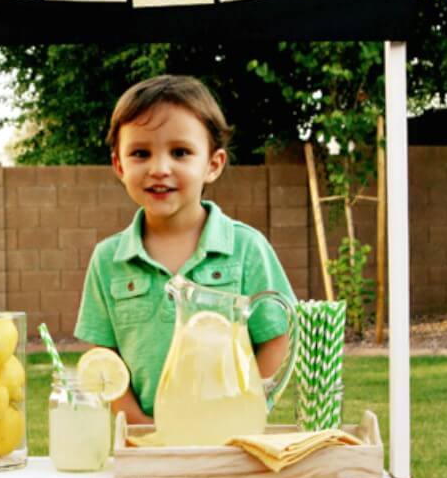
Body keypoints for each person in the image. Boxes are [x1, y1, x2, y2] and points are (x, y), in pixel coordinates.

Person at [74, 74, 295, 425]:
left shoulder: (246, 248)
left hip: (228, 441)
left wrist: (251, 403)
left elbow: (278, 335)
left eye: (180, 152)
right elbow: (103, 354)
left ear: (213, 164)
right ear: (119, 165)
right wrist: (132, 420)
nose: (159, 169)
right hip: (141, 443)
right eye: (140, 153)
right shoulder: (107, 260)